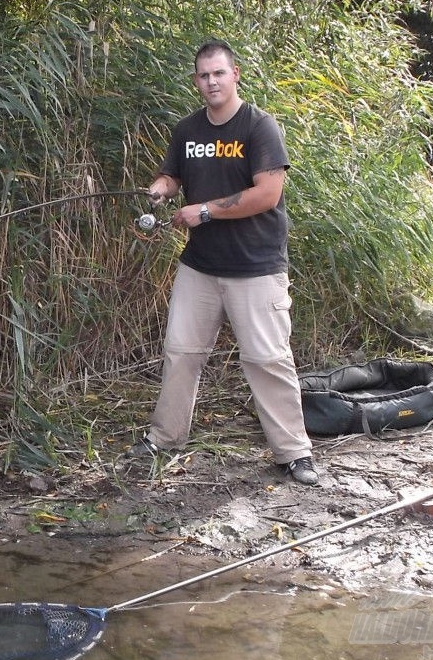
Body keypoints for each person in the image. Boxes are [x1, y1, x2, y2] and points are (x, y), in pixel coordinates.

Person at [127, 39, 318, 486]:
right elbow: (173, 175)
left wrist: (206, 210)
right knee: (180, 353)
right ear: (196, 81)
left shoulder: (259, 127)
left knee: (268, 359)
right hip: (200, 265)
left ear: (235, 75)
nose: (211, 81)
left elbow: (268, 193)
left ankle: (294, 453)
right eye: (203, 75)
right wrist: (160, 189)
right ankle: (164, 439)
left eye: (218, 73)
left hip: (256, 266)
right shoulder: (187, 130)